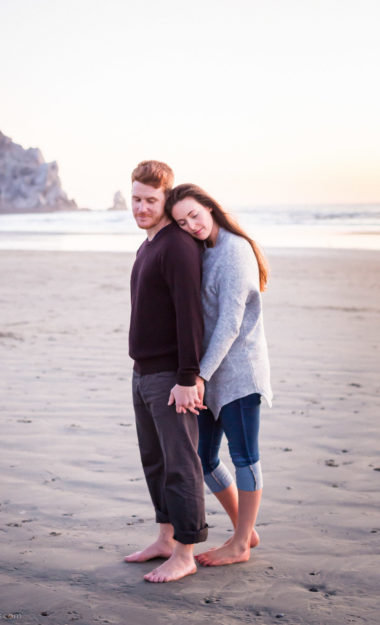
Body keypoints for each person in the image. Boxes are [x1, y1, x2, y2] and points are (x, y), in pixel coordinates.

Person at [165, 183, 273, 567]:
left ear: (209, 207)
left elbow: (229, 324)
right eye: (181, 221)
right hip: (210, 377)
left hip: (239, 372)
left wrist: (198, 376)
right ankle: (245, 529)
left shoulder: (234, 251)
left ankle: (241, 543)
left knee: (244, 456)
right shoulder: (204, 251)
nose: (191, 225)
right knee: (203, 457)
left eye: (194, 214)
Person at [126, 161, 208, 583]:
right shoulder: (148, 245)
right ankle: (164, 537)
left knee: (181, 463)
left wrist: (186, 378)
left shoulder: (176, 245)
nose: (141, 207)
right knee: (154, 461)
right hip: (143, 373)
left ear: (166, 199)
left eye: (150, 200)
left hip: (170, 376)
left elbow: (189, 314)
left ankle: (186, 551)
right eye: (136, 198)